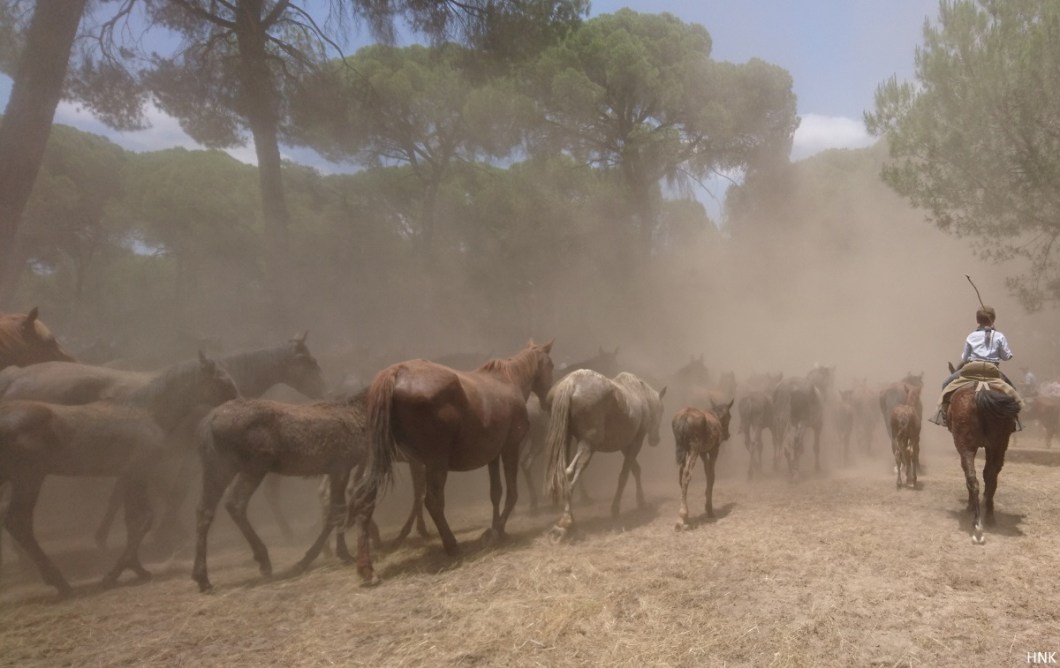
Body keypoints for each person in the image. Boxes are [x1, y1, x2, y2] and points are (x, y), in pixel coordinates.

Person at [929, 305, 1023, 429]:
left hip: (971, 370)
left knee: (946, 383)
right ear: (993, 319)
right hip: (991, 371)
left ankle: (944, 415)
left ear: (977, 320)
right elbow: (1006, 357)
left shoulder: (971, 336)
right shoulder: (999, 336)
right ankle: (1013, 420)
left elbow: (965, 358)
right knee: (1013, 391)